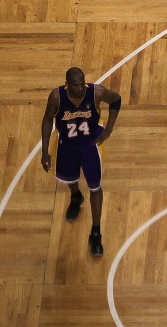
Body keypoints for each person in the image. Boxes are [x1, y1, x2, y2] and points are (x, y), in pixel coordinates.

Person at [40, 67, 122, 257]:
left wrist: (108, 130)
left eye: (82, 83)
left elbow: (116, 100)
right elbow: (47, 119)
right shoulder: (56, 97)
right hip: (67, 144)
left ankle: (95, 233)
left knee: (95, 187)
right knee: (69, 178)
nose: (79, 88)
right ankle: (76, 196)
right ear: (67, 84)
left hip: (90, 144)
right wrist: (44, 152)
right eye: (75, 85)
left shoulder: (96, 92)